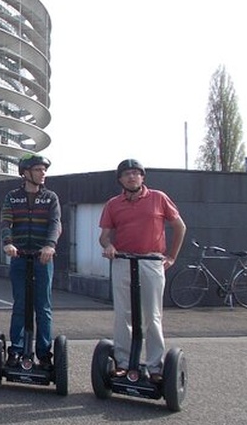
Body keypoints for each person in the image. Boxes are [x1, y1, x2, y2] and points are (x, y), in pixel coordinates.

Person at [99, 158, 186, 383]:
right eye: (127, 174)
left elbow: (180, 227)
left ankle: (155, 365)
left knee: (152, 315)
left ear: (142, 176)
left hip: (151, 261)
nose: (132, 177)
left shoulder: (158, 198)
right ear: (120, 179)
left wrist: (172, 257)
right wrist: (108, 246)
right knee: (123, 314)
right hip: (123, 261)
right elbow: (104, 235)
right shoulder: (113, 204)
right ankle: (123, 362)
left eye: (136, 173)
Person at [0, 154, 62, 368]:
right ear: (25, 173)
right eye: (38, 169)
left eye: (44, 169)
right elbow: (6, 221)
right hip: (19, 257)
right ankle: (16, 350)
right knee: (20, 305)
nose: (43, 173)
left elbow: (55, 224)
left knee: (43, 307)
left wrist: (50, 246)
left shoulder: (51, 197)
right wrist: (8, 242)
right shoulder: (12, 197)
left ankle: (44, 354)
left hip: (43, 258)